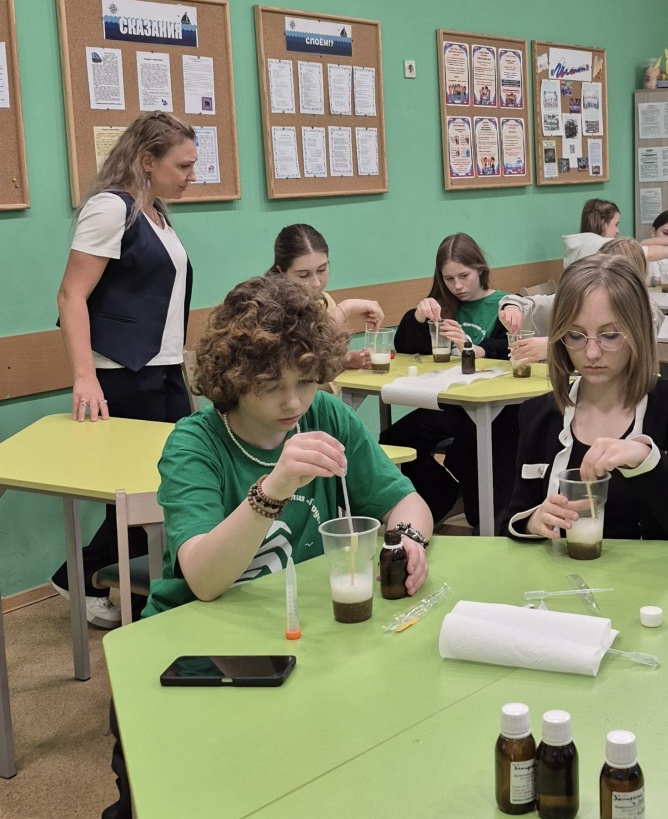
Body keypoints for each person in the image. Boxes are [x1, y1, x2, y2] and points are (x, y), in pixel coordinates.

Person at [102, 275, 432, 817]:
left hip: (294, 647)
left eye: (306, 380)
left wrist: (409, 540)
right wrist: (273, 488)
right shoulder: (194, 443)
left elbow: (407, 502)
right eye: (271, 384)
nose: (293, 401)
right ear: (234, 378)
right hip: (189, 653)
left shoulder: (325, 416)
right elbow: (203, 579)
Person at [52, 111, 198, 628]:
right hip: (120, 372)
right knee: (138, 493)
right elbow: (71, 295)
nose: (191, 176)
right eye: (182, 166)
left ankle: (116, 582)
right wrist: (84, 376)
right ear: (146, 161)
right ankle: (80, 577)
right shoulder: (110, 208)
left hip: (164, 369)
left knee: (174, 484)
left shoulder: (156, 213)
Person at [503, 253, 668, 543]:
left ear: (638, 332)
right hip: (562, 571)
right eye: (575, 336)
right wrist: (532, 522)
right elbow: (512, 519)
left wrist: (647, 462)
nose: (592, 353)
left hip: (654, 572)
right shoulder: (539, 414)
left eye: (610, 335)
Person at [381, 233, 515, 530]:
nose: (458, 286)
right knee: (393, 439)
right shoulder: (442, 307)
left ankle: (477, 507)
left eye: (464, 276)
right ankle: (445, 492)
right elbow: (405, 346)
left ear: (480, 268)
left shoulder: (505, 304)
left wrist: (476, 349)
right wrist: (417, 317)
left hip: (492, 408)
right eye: (449, 279)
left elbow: (512, 349)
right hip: (450, 403)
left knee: (469, 447)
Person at [498, 237, 666, 371]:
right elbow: (528, 303)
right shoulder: (582, 298)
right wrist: (512, 307)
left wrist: (554, 347)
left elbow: (639, 344)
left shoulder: (647, 311)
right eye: (576, 334)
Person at [267, 223, 384, 372]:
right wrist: (346, 308)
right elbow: (298, 368)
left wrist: (345, 361)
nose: (316, 283)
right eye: (303, 275)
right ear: (281, 272)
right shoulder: (269, 308)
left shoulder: (325, 301)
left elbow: (319, 363)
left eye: (322, 269)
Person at [562, 198, 668, 268]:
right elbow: (645, 252)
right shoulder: (602, 245)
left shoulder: (582, 244)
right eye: (616, 224)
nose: (617, 231)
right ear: (603, 223)